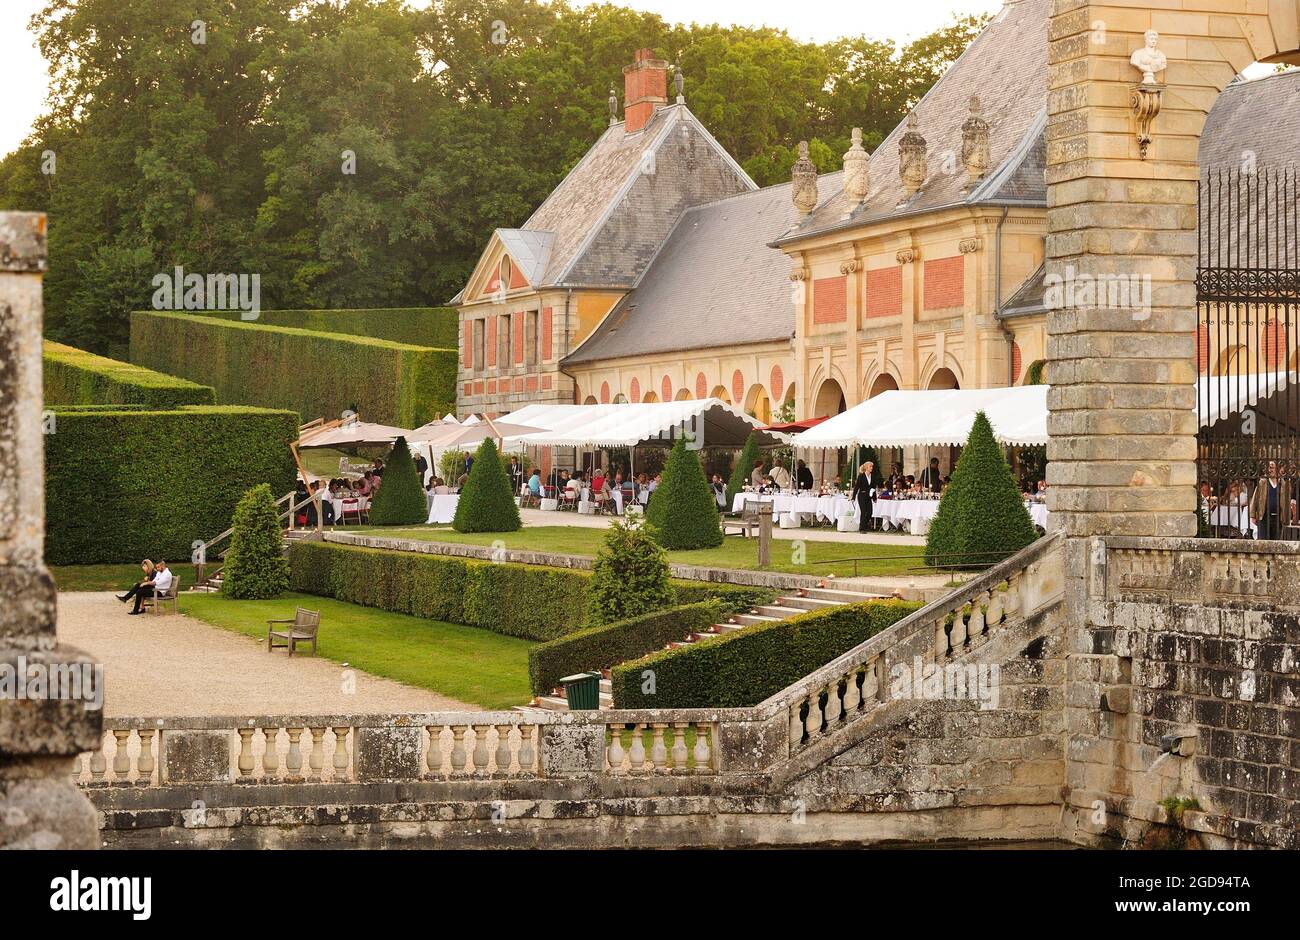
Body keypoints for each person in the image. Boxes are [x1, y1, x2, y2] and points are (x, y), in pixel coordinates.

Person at [1249, 460, 1292, 540]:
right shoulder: (1262, 482)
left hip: (1278, 518)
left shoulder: (1283, 483)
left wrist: (1287, 517)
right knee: (1263, 541)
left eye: (1272, 468)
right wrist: (1253, 515)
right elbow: (1255, 498)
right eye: (1268, 468)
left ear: (1277, 469)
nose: (1269, 470)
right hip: (1264, 517)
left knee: (1276, 541)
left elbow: (1287, 502)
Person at [851, 461, 875, 533]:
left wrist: (874, 498)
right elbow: (856, 487)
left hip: (869, 497)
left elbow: (873, 488)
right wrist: (853, 497)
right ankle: (862, 528)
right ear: (866, 468)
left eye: (872, 466)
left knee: (870, 512)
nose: (872, 468)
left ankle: (865, 525)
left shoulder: (872, 476)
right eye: (870, 466)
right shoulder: (861, 476)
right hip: (862, 496)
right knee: (863, 512)